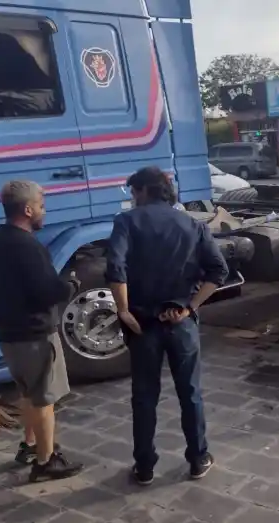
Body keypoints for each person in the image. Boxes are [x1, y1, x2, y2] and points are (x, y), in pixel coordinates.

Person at [106, 167, 228, 486]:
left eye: (134, 193)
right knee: (190, 393)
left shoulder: (126, 223)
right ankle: (198, 459)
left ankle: (144, 466)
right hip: (181, 324)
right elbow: (218, 271)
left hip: (143, 326)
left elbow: (115, 268)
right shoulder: (192, 224)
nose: (132, 199)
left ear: (144, 191)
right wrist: (190, 308)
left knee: (144, 396)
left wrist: (123, 310)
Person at [0, 180, 84, 483]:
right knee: (44, 399)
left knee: (27, 392)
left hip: (8, 334)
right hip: (35, 334)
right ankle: (46, 462)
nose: (43, 211)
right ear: (27, 209)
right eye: (41, 205)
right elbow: (46, 291)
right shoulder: (30, 247)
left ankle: (30, 445)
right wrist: (70, 286)